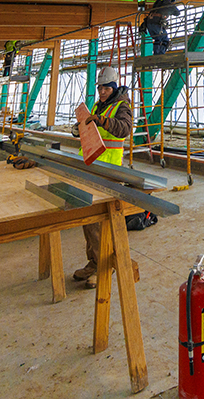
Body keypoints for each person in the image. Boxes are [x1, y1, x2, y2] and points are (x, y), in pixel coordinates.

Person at [72, 65, 138, 288]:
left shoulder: (122, 106)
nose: (101, 92)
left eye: (106, 89)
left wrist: (102, 121)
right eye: (100, 88)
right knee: (88, 220)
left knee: (99, 222)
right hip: (91, 166)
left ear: (114, 87)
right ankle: (94, 262)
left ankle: (104, 268)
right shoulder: (97, 106)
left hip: (108, 170)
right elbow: (91, 130)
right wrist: (79, 127)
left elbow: (124, 129)